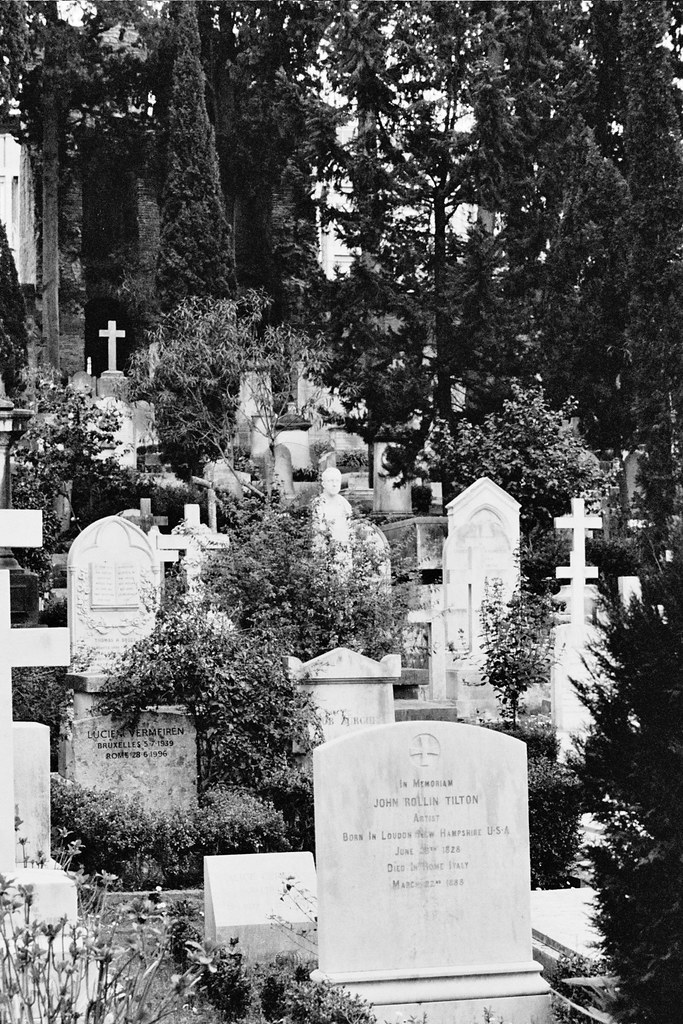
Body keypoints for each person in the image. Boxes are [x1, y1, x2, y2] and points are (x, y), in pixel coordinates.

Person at [312, 466, 352, 546]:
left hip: (342, 545)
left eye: (337, 481)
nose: (334, 484)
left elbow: (348, 528)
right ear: (323, 484)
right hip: (324, 545)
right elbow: (318, 529)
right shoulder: (318, 503)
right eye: (330, 481)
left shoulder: (344, 503)